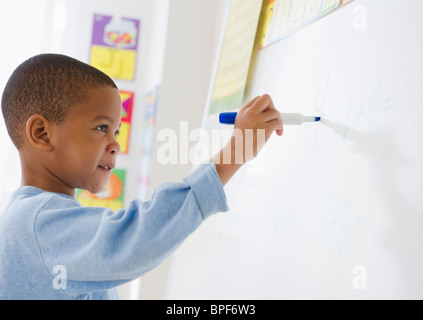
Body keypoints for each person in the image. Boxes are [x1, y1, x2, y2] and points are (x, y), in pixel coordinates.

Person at [0, 53, 283, 299]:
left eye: (117, 132)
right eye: (101, 128)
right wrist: (234, 153)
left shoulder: (32, 220)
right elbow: (137, 238)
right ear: (41, 133)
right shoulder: (38, 225)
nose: (116, 145)